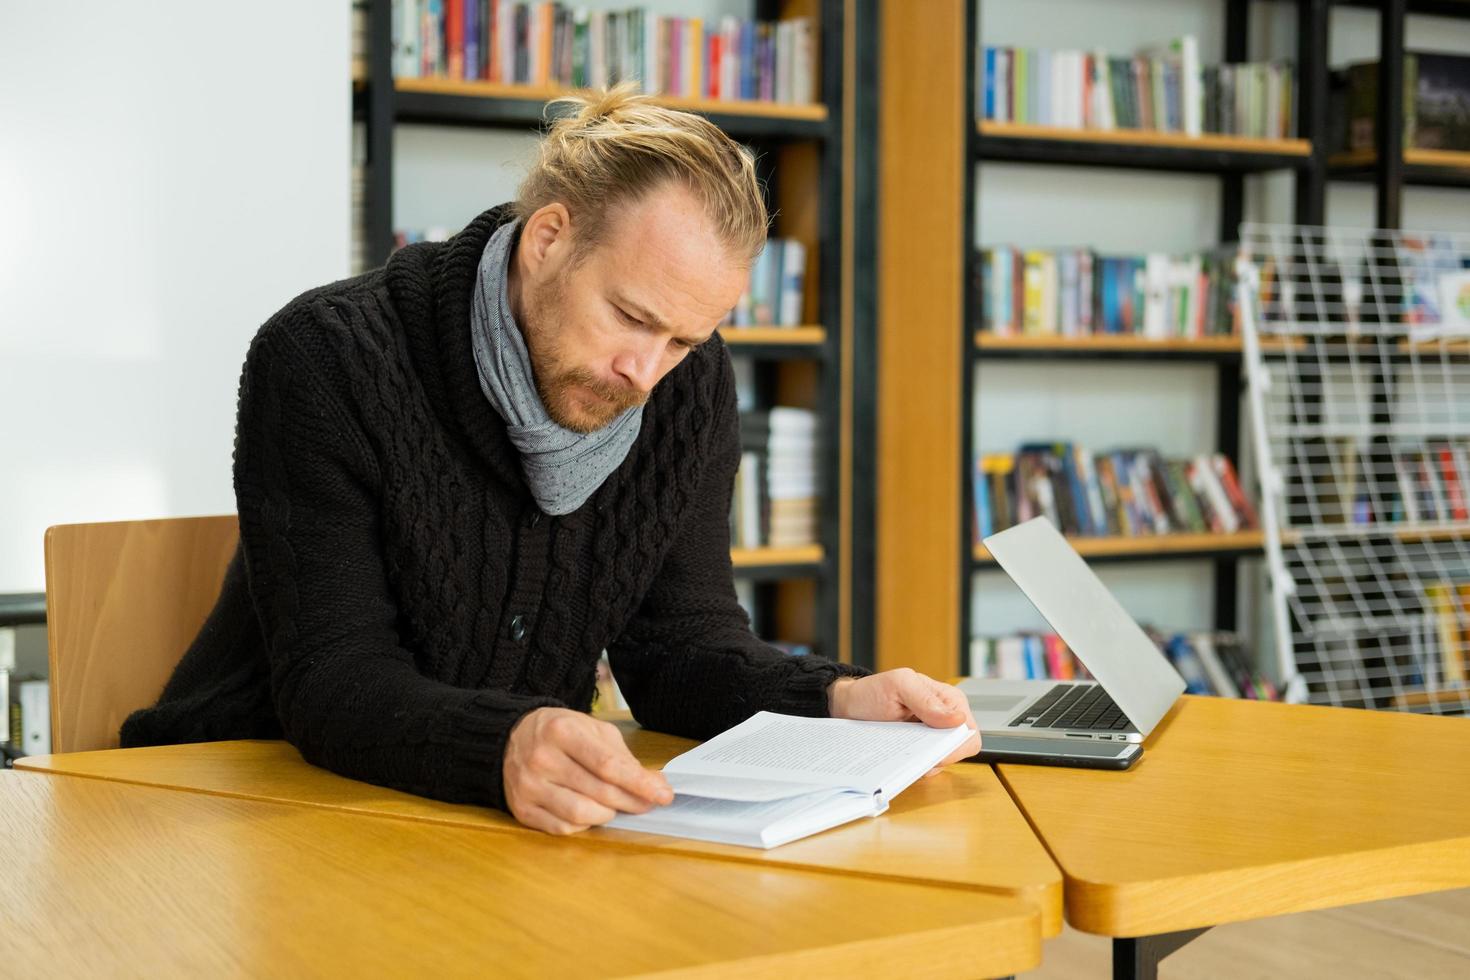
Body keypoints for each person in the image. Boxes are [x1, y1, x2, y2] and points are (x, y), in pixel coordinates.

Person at [121, 84, 980, 835]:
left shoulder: (685, 386)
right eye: (631, 317)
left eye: (685, 339)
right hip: (251, 793)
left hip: (489, 813)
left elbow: (679, 648)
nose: (646, 373)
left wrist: (832, 699)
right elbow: (332, 679)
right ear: (549, 238)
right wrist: (500, 744)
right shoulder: (327, 356)